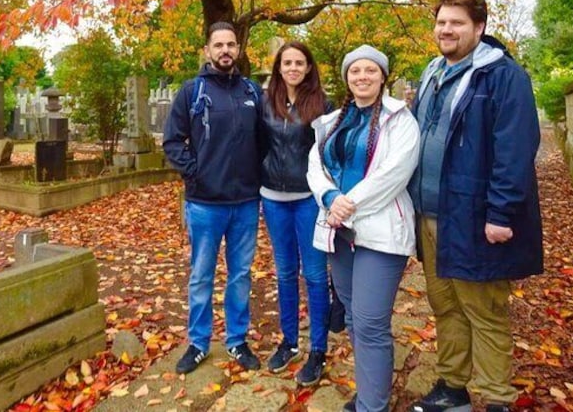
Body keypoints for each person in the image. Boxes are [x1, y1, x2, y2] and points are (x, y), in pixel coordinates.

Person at [408, 0, 543, 412]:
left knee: (483, 310)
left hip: (475, 218)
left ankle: (497, 398)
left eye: (457, 23)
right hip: (430, 216)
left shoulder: (503, 76)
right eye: (442, 22)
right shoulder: (432, 73)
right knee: (445, 305)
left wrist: (501, 212)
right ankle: (453, 385)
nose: (446, 30)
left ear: (479, 28)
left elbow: (515, 149)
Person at [307, 45, 420, 411]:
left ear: (383, 76)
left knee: (371, 321)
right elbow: (315, 168)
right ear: (346, 78)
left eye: (370, 70)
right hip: (339, 232)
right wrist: (328, 198)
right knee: (354, 317)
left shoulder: (400, 119)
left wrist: (345, 204)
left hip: (381, 233)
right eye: (355, 72)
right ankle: (371, 391)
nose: (362, 77)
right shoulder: (331, 122)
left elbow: (393, 175)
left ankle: (373, 405)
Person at [163, 21, 264, 374]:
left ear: (239, 49)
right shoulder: (192, 92)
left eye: (231, 45)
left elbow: (265, 141)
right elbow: (172, 142)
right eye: (218, 45)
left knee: (240, 276)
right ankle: (198, 342)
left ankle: (237, 340)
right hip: (205, 205)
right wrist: (197, 174)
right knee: (202, 275)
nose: (225, 51)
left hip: (246, 203)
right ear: (207, 50)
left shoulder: (253, 92)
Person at [260, 41, 331, 385]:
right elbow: (257, 142)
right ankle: (289, 342)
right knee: (285, 272)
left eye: (299, 62)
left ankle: (318, 349)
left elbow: (329, 151)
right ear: (279, 67)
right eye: (286, 62)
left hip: (308, 199)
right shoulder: (265, 101)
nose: (292, 68)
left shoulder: (321, 103)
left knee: (315, 275)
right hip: (273, 197)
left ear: (307, 67)